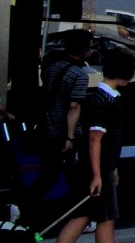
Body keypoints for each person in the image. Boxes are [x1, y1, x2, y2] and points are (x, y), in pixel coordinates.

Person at [32, 48, 135, 243]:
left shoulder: (102, 97)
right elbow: (95, 139)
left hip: (99, 167)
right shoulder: (104, 101)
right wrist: (98, 174)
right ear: (128, 72)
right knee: (103, 218)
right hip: (96, 168)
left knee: (88, 216)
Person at [27, 29, 93, 214]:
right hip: (64, 132)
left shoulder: (51, 68)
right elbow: (74, 107)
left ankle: (26, 206)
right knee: (72, 174)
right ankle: (75, 214)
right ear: (83, 50)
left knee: (49, 173)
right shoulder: (79, 75)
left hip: (48, 127)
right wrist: (70, 138)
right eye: (90, 46)